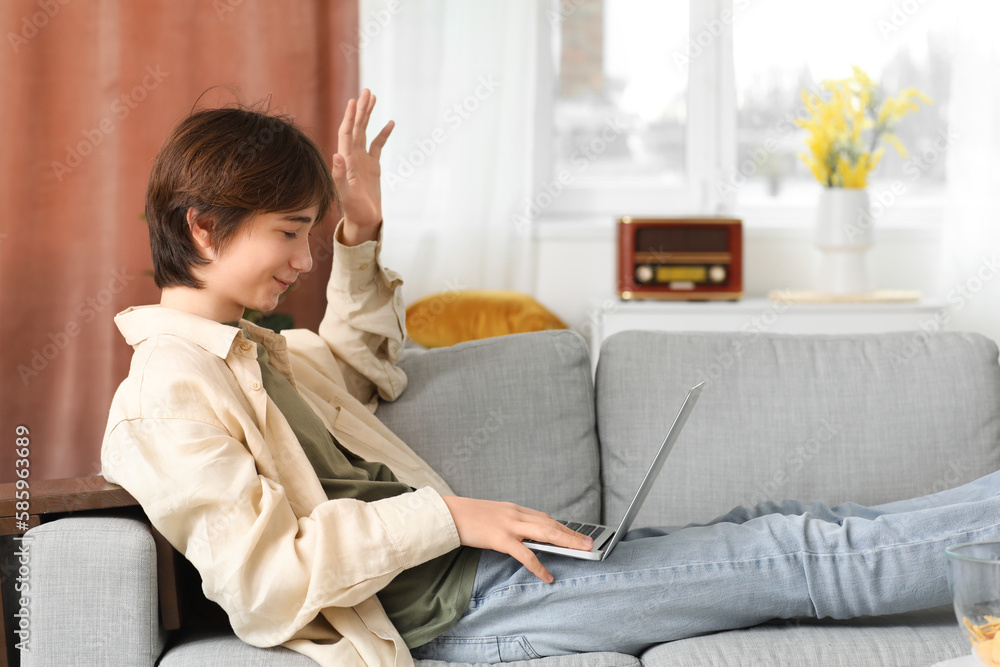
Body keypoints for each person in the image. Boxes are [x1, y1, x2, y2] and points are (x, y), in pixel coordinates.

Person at [102, 90, 1000, 666]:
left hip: (485, 570)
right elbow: (262, 585)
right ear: (207, 227)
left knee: (779, 528)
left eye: (307, 233)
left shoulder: (260, 348)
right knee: (795, 555)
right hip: (460, 614)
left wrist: (358, 229)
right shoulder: (167, 391)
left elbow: (365, 360)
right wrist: (451, 515)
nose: (301, 258)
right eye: (287, 232)